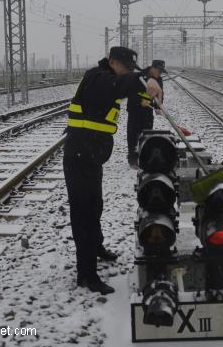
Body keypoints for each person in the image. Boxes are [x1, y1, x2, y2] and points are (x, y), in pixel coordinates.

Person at [63, 47, 163, 295]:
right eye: (126, 68)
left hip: (89, 156)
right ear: (112, 63)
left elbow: (126, 82)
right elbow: (118, 85)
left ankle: (97, 248)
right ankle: (86, 275)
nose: (128, 72)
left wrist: (150, 82)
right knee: (83, 214)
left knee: (95, 205)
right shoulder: (97, 77)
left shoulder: (109, 76)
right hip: (79, 157)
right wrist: (145, 77)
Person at [126, 59, 166, 168]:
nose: (160, 73)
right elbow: (130, 92)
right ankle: (133, 159)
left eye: (162, 72)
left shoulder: (159, 80)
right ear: (152, 68)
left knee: (147, 135)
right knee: (133, 135)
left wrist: (158, 107)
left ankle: (144, 157)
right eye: (159, 71)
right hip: (135, 110)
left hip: (147, 111)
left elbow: (160, 94)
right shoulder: (139, 77)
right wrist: (139, 101)